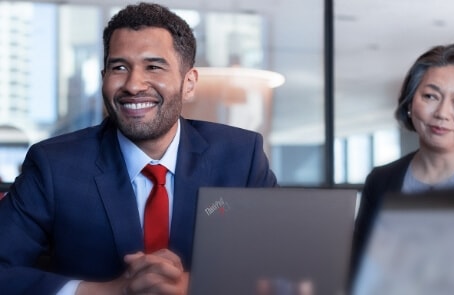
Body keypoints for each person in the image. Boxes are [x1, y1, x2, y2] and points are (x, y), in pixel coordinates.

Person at [0, 2, 277, 295]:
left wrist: (197, 285)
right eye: (119, 67)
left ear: (189, 83)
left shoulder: (241, 156)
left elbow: (284, 262)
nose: (133, 85)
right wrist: (106, 292)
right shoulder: (54, 166)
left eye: (154, 66)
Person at [350, 43, 454, 293]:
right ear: (410, 103)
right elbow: (358, 267)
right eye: (430, 96)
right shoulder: (381, 180)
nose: (442, 113)